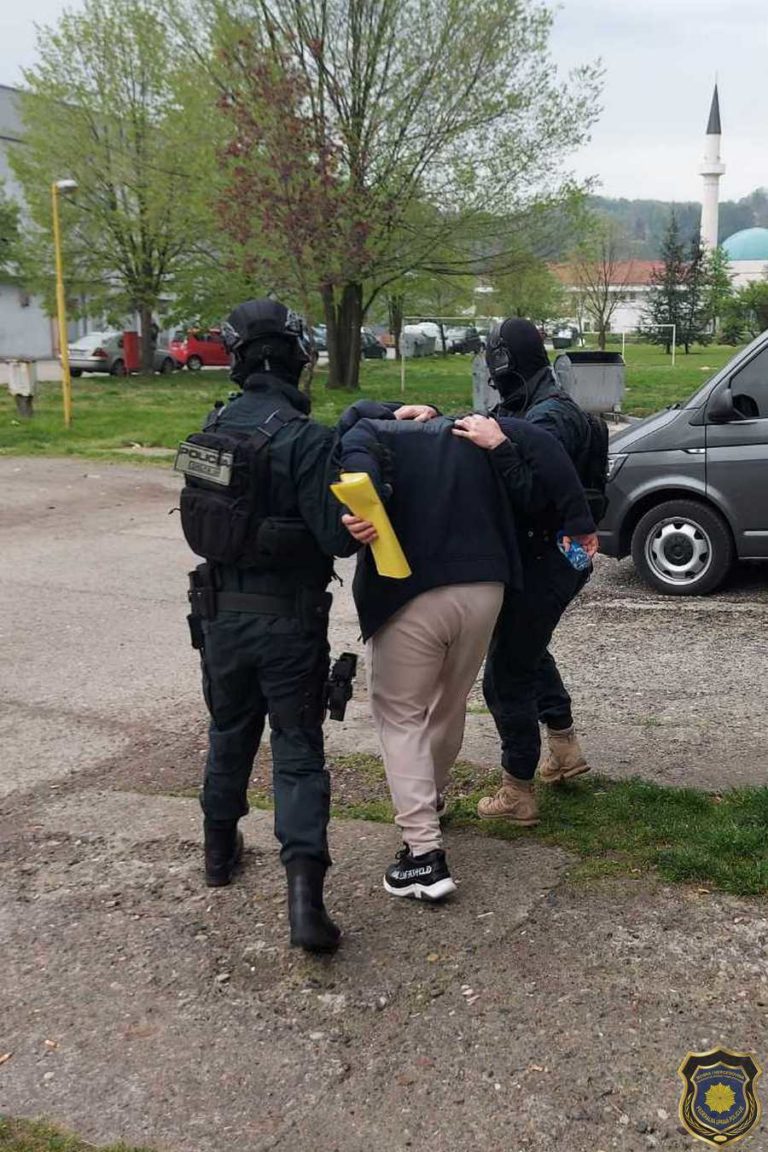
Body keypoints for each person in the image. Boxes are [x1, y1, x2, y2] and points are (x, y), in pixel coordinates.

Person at [336, 403, 594, 900]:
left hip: (410, 593)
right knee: (447, 706)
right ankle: (429, 800)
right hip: (486, 588)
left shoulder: (364, 433)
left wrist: (357, 510)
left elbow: (360, 471)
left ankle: (422, 855)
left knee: (401, 716)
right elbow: (540, 472)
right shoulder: (471, 431)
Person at [183, 298, 357, 953]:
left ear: (236, 357)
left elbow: (205, 527)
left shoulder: (210, 429)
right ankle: (305, 906)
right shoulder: (310, 439)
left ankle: (217, 854)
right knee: (297, 750)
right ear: (294, 355)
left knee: (228, 731)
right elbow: (338, 540)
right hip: (289, 624)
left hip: (220, 619)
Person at [468, 317, 598, 824]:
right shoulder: (528, 406)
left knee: (505, 674)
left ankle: (516, 792)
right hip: (550, 554)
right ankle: (564, 748)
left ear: (505, 362)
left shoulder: (553, 418)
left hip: (553, 557)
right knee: (526, 645)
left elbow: (533, 497)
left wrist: (498, 447)